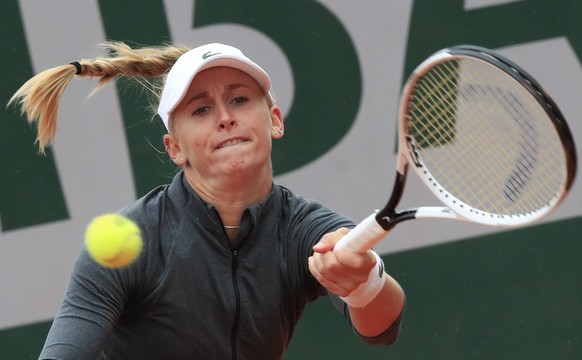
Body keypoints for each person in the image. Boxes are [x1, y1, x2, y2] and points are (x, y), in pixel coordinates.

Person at [9, 41, 405, 359]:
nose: (224, 117)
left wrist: (363, 282)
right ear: (175, 148)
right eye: (201, 109)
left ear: (274, 121)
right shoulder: (135, 240)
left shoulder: (305, 229)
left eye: (239, 100)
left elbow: (381, 328)